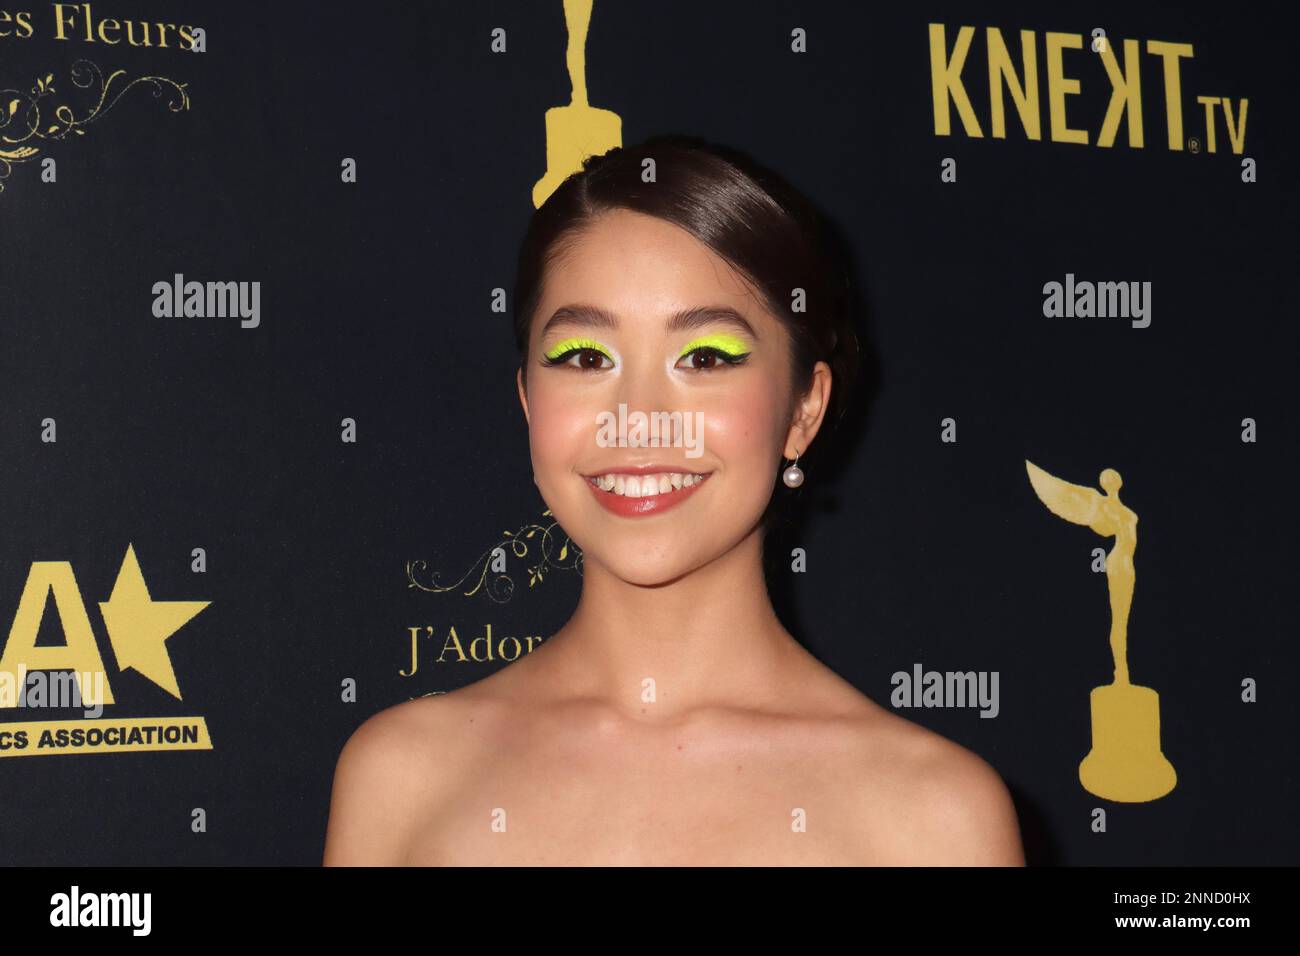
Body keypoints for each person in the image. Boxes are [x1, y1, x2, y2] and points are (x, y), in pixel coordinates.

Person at [323, 134, 1025, 865]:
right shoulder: (401, 777)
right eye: (586, 358)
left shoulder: (933, 817)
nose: (640, 417)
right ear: (529, 399)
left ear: (803, 412)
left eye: (707, 357)